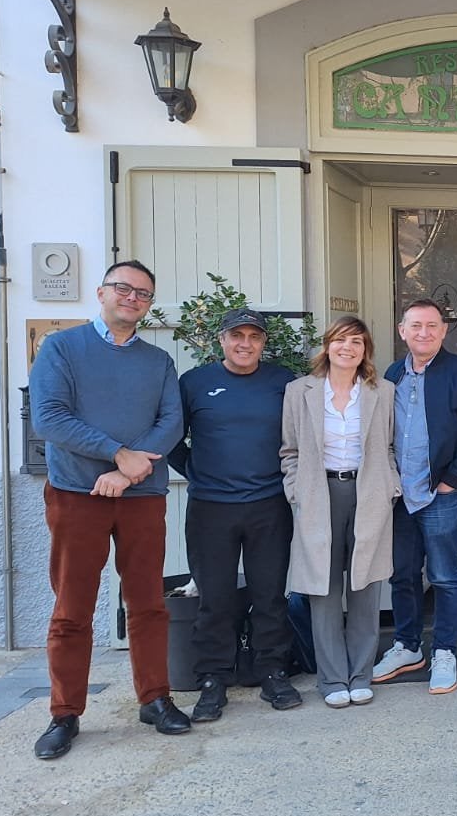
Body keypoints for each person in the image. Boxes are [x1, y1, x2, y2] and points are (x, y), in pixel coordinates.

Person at [29, 260, 189, 760]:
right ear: (101, 293)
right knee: (72, 608)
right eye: (124, 288)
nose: (133, 298)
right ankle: (65, 712)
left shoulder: (157, 360)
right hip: (78, 494)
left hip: (141, 497)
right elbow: (50, 417)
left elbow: (171, 423)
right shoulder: (61, 348)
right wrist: (115, 452)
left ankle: (155, 698)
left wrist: (127, 471)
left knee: (148, 603)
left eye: (143, 293)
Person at [168, 307, 301, 722]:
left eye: (254, 337)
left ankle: (272, 671)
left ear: (264, 342)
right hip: (211, 507)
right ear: (221, 340)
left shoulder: (284, 383)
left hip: (269, 504)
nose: (245, 344)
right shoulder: (194, 383)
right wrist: (196, 471)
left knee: (269, 594)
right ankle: (212, 678)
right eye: (236, 336)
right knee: (215, 597)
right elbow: (171, 438)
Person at [280, 317, 400, 707]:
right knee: (324, 589)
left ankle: (361, 674)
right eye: (340, 340)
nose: (348, 348)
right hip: (318, 493)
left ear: (366, 351)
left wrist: (391, 487)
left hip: (368, 493)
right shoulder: (300, 391)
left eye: (357, 342)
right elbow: (290, 450)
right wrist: (295, 490)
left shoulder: (382, 391)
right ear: (327, 346)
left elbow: (389, 446)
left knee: (365, 586)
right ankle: (332, 680)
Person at [372, 299, 457, 695]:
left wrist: (453, 479)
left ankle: (444, 651)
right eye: (415, 325)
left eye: (432, 326)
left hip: (441, 494)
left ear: (443, 331)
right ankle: (407, 646)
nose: (424, 332)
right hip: (399, 496)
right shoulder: (390, 375)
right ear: (402, 330)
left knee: (445, 577)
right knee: (402, 575)